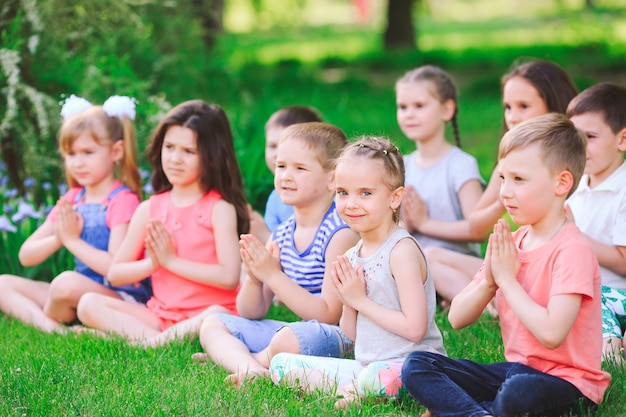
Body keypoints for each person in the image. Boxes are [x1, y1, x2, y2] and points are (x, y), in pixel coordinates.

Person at [401, 113, 611, 417]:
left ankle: (464, 410)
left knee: (517, 392)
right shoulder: (508, 242)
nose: (505, 192)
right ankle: (480, 413)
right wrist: (489, 280)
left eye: (519, 180)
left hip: (568, 383)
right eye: (502, 178)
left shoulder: (573, 249)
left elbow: (552, 333)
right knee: (418, 364)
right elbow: (457, 318)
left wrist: (508, 281)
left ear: (561, 183)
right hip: (515, 371)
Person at [269, 137, 446, 410]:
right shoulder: (353, 254)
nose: (351, 203)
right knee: (281, 364)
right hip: (366, 366)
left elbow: (415, 328)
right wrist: (349, 301)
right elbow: (350, 334)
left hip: (415, 366)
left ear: (394, 197)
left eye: (365, 193)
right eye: (342, 192)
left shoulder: (401, 250)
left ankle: (356, 392)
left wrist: (361, 300)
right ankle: (355, 390)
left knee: (380, 377)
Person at [194, 122, 359, 386]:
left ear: (332, 179)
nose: (286, 176)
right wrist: (256, 278)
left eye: (300, 168)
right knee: (213, 323)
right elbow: (251, 312)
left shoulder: (340, 234)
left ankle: (245, 358)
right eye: (281, 166)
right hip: (302, 331)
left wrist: (272, 274)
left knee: (287, 340)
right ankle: (252, 368)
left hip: (339, 337)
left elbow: (328, 315)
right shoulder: (283, 233)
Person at [76, 100, 250, 347]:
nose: (175, 159)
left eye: (189, 152)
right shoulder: (150, 209)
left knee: (215, 313)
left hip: (211, 317)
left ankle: (144, 344)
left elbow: (229, 277)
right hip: (161, 316)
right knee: (88, 304)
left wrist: (171, 262)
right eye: (169, 147)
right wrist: (154, 262)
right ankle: (162, 341)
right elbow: (116, 274)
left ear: (211, 157)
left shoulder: (219, 208)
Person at [416, 59, 579, 307]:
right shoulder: (510, 161)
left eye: (523, 106)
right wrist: (506, 197)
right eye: (508, 107)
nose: (513, 117)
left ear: (554, 105)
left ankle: (500, 304)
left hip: (559, 268)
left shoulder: (573, 158)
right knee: (431, 258)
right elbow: (476, 226)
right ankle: (489, 307)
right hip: (520, 263)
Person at [0, 95, 151, 333]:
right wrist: (59, 237)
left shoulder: (123, 201)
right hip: (76, 291)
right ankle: (56, 330)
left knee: (64, 283)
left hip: (118, 296)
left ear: (116, 151)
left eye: (88, 152)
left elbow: (115, 269)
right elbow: (26, 255)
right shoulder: (73, 198)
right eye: (71, 154)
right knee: (3, 284)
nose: (78, 163)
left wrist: (71, 240)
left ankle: (60, 320)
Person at [397, 65, 484, 261]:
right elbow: (391, 229)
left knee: (430, 257)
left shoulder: (462, 165)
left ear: (446, 110)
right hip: (414, 269)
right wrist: (406, 225)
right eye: (403, 107)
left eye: (419, 106)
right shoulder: (401, 166)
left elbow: (478, 229)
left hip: (457, 269)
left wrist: (424, 223)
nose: (409, 114)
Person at [566, 83, 626, 362]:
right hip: (588, 290)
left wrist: (573, 233)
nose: (580, 146)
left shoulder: (622, 189)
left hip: (616, 295)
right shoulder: (577, 184)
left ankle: (612, 352)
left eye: (590, 136)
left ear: (622, 140)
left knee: (587, 298)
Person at [249, 106, 323, 243]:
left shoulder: (320, 197)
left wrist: (264, 236)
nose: (278, 153)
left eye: (287, 146)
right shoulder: (275, 199)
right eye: (272, 146)